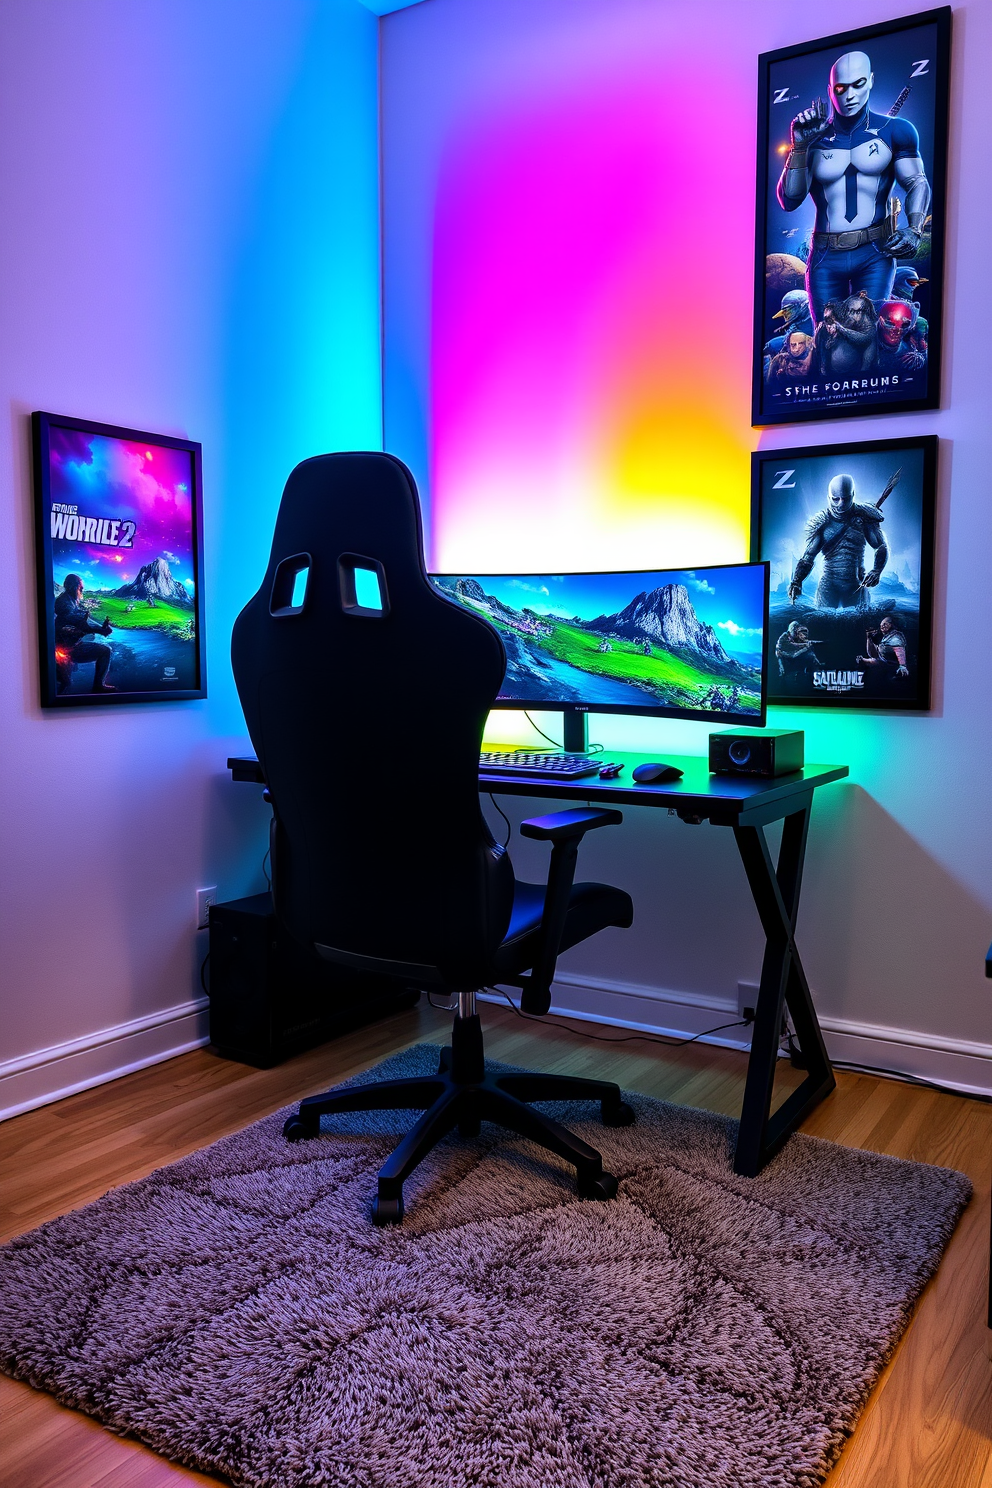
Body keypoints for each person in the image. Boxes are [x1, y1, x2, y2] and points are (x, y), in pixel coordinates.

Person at [777, 50, 931, 324]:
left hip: (875, 252)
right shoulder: (814, 140)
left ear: (870, 81)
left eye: (858, 84)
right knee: (827, 341)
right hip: (826, 255)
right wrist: (800, 147)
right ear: (830, 90)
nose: (849, 95)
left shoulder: (896, 130)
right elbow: (789, 200)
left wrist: (915, 229)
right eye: (841, 87)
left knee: (869, 336)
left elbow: (917, 182)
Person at [788, 473, 887, 609]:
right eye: (836, 499)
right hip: (829, 585)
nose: (841, 504)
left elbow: (880, 546)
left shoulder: (864, 517)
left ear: (853, 495)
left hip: (857, 584)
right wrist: (796, 582)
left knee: (860, 625)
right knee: (823, 624)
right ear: (829, 498)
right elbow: (808, 558)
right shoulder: (822, 524)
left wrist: (876, 570)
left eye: (845, 499)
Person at [54, 573, 115, 693]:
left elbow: (82, 620)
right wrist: (100, 630)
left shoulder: (70, 600)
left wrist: (101, 628)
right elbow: (79, 622)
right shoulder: (65, 603)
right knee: (105, 651)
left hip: (71, 644)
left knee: (64, 685)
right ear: (72, 587)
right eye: (80, 588)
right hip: (68, 648)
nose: (82, 590)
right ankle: (98, 686)